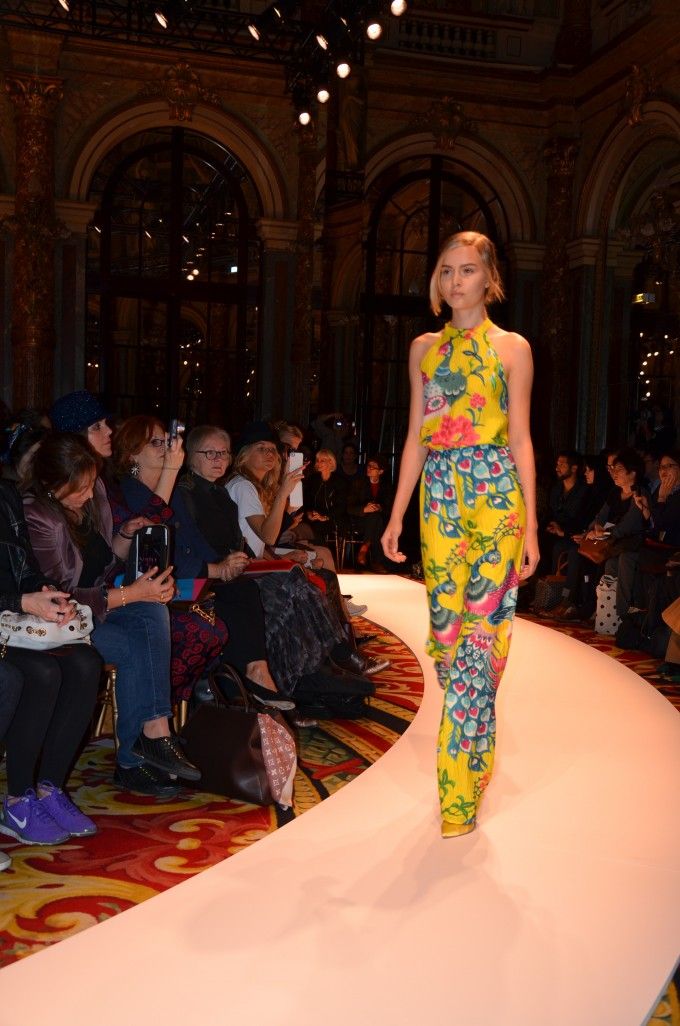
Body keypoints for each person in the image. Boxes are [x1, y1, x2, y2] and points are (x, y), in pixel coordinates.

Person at [381, 230, 539, 838]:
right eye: (446, 271)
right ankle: (478, 746)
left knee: (480, 638)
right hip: (440, 499)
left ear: (489, 278)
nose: (455, 282)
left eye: (467, 270)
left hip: (496, 494)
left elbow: (521, 438)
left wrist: (530, 523)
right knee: (448, 644)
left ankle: (457, 793)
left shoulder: (513, 349)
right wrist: (397, 513)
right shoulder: (424, 349)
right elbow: (416, 437)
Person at [23, 433, 200, 798]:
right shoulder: (38, 516)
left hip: (93, 612)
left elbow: (103, 562)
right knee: (138, 640)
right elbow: (58, 596)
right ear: (52, 486)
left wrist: (124, 534)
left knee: (152, 612)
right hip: (58, 623)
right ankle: (137, 757)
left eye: (91, 484)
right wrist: (133, 593)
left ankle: (154, 734)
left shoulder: (92, 498)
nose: (90, 493)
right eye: (80, 488)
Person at [0, 476, 103, 848]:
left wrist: (46, 593)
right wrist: (21, 602)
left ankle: (50, 789)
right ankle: (18, 799)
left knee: (85, 662)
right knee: (42, 673)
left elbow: (24, 567)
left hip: (11, 620)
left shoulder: (5, 492)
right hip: (8, 616)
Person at [347, 455, 393, 572]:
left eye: (373, 467)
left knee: (376, 518)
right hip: (359, 521)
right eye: (369, 466)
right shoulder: (358, 483)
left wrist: (380, 507)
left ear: (381, 471)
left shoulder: (386, 486)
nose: (369, 468)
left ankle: (364, 548)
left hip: (378, 522)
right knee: (376, 519)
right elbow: (349, 507)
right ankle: (377, 561)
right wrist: (364, 509)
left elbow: (390, 508)